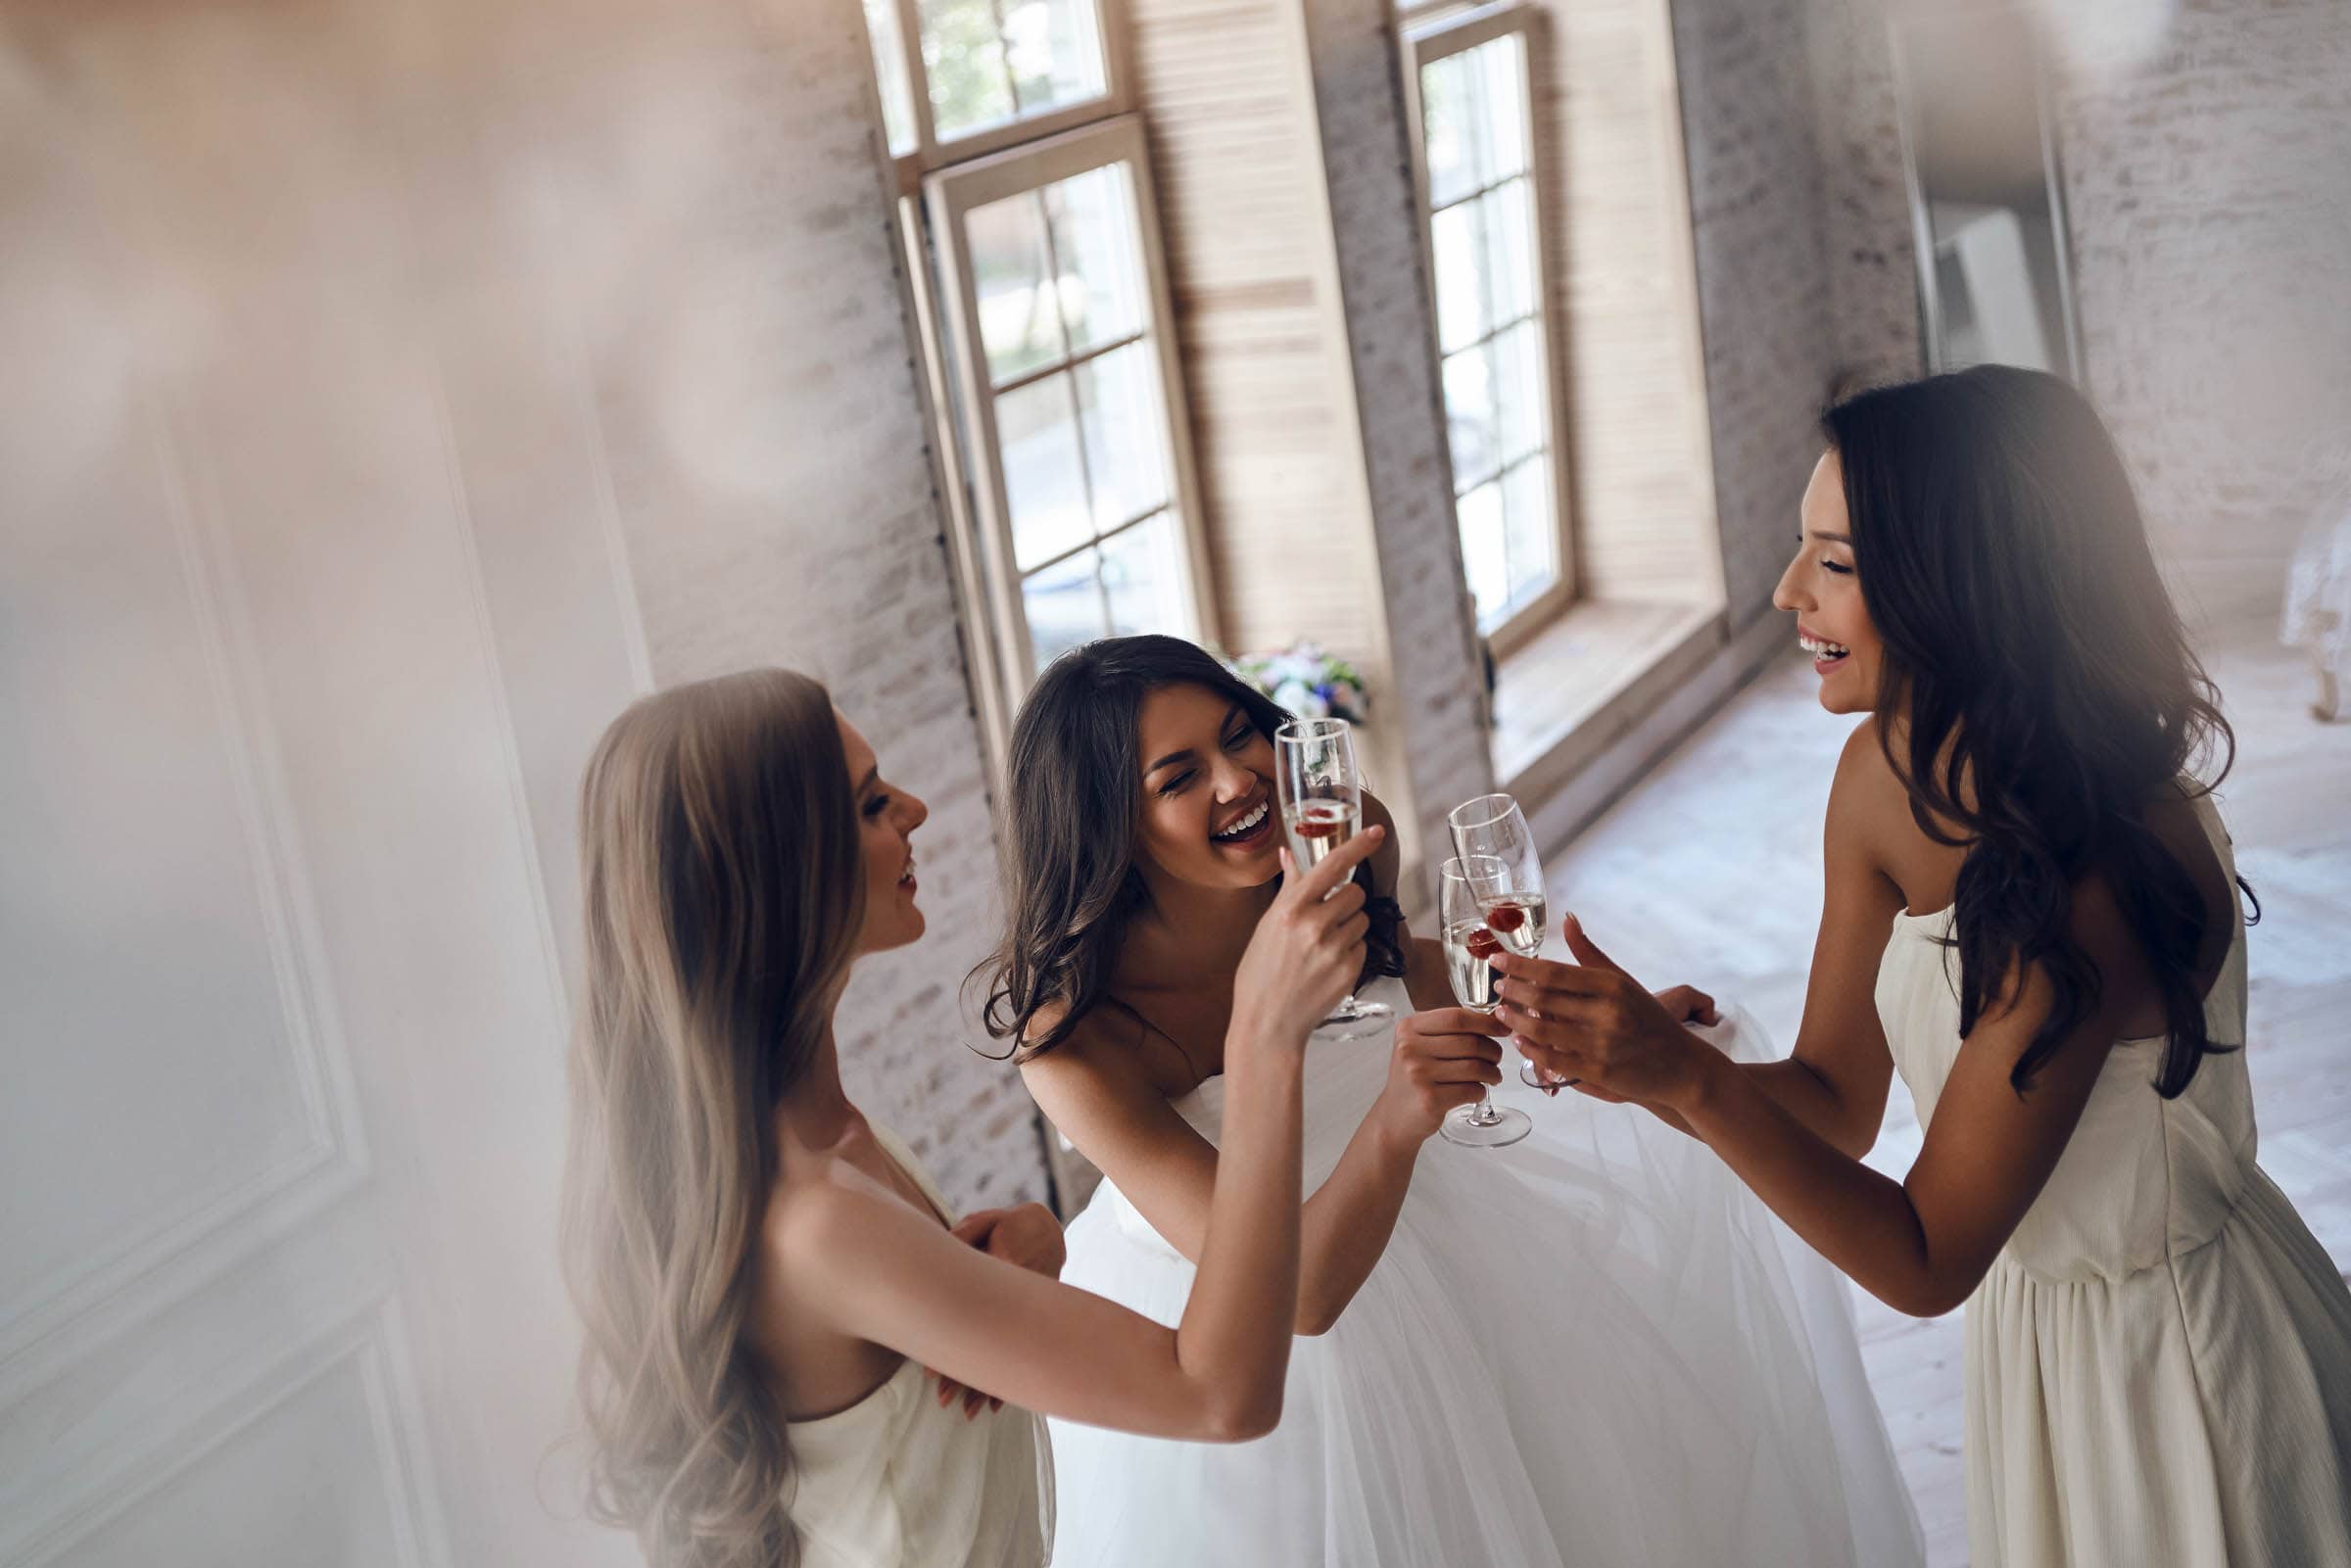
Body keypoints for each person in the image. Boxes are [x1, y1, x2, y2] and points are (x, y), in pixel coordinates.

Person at [1506, 366, 2351, 1567]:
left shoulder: (2088, 879)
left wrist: (1685, 1087)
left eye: (1837, 563)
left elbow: (1925, 1255)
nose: (1787, 591)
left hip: (2178, 1369)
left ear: (1971, 583)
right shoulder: (1882, 772)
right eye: (1803, 550)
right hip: (2039, 1350)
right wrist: (1662, 1055)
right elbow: (1835, 1105)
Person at [985, 635, 1923, 1567]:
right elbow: (1299, 1297)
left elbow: (1416, 975)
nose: (1239, 781)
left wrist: (1590, 1023)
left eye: (1242, 737)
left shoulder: (1340, 837)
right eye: (1178, 777)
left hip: (1446, 1243)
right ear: (1110, 825)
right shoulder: (1076, 1044)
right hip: (1264, 1356)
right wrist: (1397, 1116)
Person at [561, 668, 1377, 1568]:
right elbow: (1225, 1396)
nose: (914, 809)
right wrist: (1265, 1037)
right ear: (784, 875)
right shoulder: (815, 1215)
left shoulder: (822, 1135)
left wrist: (1025, 1246)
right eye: (872, 804)